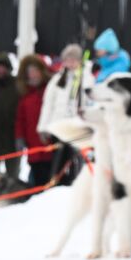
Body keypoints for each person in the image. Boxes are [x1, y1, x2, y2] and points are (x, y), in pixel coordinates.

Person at [38, 44, 90, 184]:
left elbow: (89, 102)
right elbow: (48, 104)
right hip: (59, 128)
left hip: (77, 128)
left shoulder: (86, 78)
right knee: (58, 161)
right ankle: (55, 185)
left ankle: (75, 185)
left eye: (74, 59)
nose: (71, 63)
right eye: (68, 59)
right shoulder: (57, 80)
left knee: (76, 161)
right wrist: (43, 127)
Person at [14, 54, 53, 184]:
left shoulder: (50, 91)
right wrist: (19, 138)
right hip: (33, 147)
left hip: (50, 145)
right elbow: (20, 120)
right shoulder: (25, 97)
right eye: (29, 72)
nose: (33, 75)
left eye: (35, 71)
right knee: (37, 177)